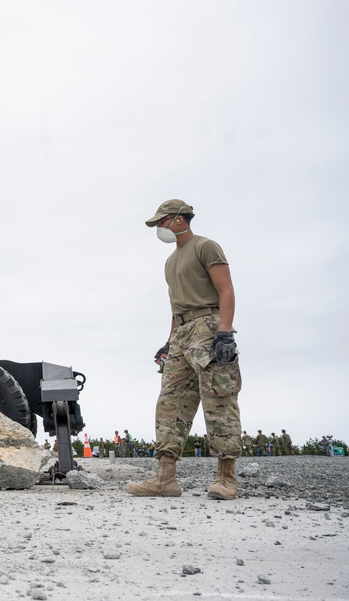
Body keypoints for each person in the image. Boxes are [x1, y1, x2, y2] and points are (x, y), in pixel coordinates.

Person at [128, 200, 243, 501]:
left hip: (209, 327)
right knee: (171, 400)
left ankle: (226, 478)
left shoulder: (206, 247)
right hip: (182, 332)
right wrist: (169, 341)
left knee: (219, 398)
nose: (160, 228)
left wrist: (225, 332)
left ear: (180, 219)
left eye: (162, 222)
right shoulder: (170, 261)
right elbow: (175, 306)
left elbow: (226, 290)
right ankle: (165, 478)